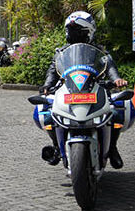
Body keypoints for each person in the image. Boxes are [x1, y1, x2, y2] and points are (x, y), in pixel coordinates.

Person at [38, 11, 128, 169]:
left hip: (95, 90)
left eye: (79, 32)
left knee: (116, 114)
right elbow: (53, 71)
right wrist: (47, 86)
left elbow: (110, 67)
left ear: (89, 32)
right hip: (68, 91)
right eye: (72, 32)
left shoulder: (100, 52)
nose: (74, 35)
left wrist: (116, 80)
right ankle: (57, 147)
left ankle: (112, 148)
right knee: (47, 116)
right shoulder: (61, 53)